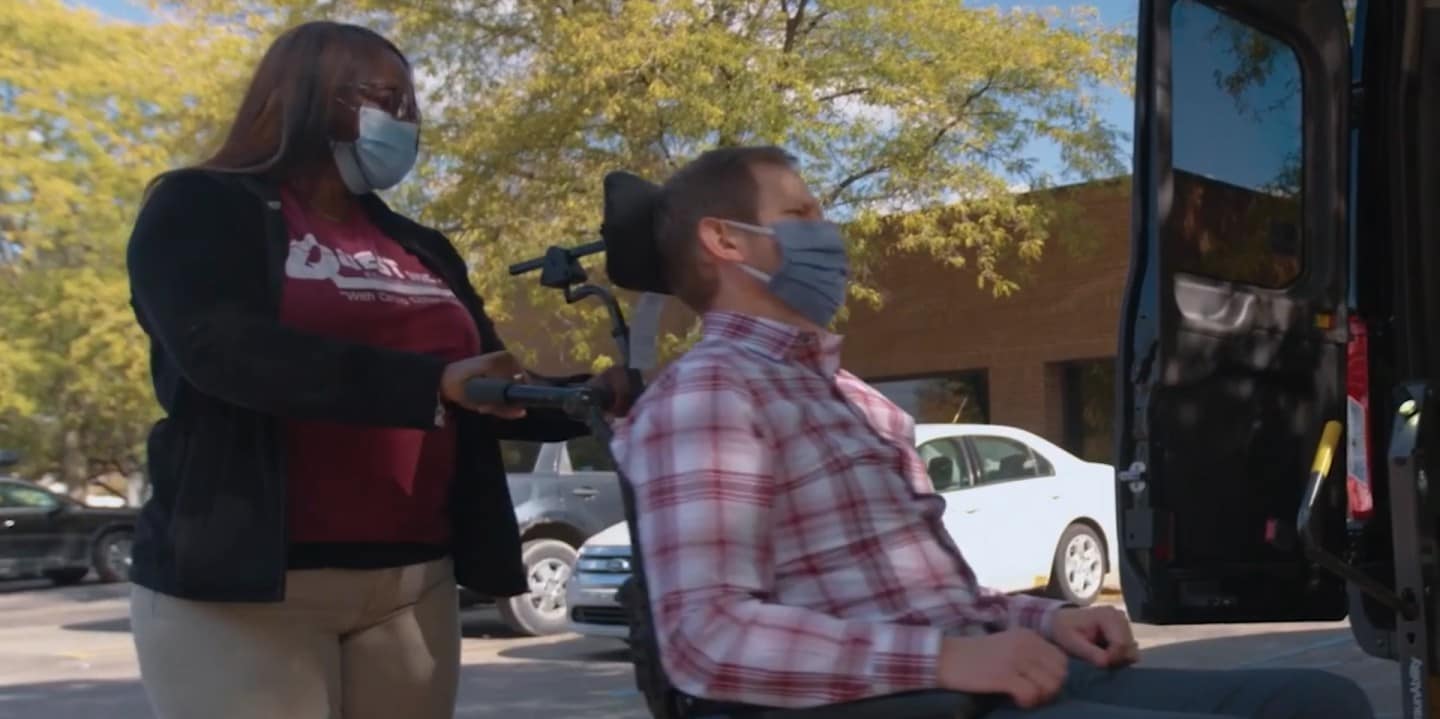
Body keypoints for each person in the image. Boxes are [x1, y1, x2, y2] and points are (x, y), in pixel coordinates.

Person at [610, 145, 1374, 719]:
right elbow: (706, 635)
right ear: (726, 240)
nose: (829, 234)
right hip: (906, 697)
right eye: (803, 216)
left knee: (1320, 700)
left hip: (983, 670)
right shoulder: (705, 397)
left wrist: (1052, 618)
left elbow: (936, 598)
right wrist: (947, 659)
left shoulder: (851, 397)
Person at [125, 21, 625, 719]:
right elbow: (221, 350)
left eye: (410, 102)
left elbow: (480, 382)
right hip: (247, 587)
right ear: (303, 96)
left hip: (410, 582)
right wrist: (425, 385)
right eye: (382, 96)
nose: (405, 119)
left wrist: (596, 396)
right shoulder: (201, 205)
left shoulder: (418, 243)